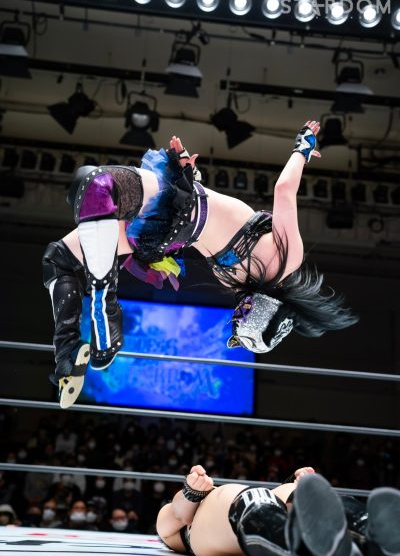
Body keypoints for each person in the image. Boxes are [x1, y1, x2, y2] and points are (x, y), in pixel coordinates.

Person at [42, 121, 358, 408]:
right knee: (60, 257)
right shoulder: (235, 280)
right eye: (243, 318)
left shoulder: (285, 260)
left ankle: (105, 305)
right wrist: (190, 177)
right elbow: (211, 230)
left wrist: (302, 148)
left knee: (94, 184)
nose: (238, 314)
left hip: (176, 208)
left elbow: (283, 189)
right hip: (168, 228)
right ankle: (66, 356)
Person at [156, 464, 400, 556]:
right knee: (249, 498)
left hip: (257, 525)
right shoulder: (179, 515)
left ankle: (380, 545)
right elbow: (174, 519)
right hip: (221, 534)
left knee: (296, 493)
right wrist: (191, 493)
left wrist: (295, 486)